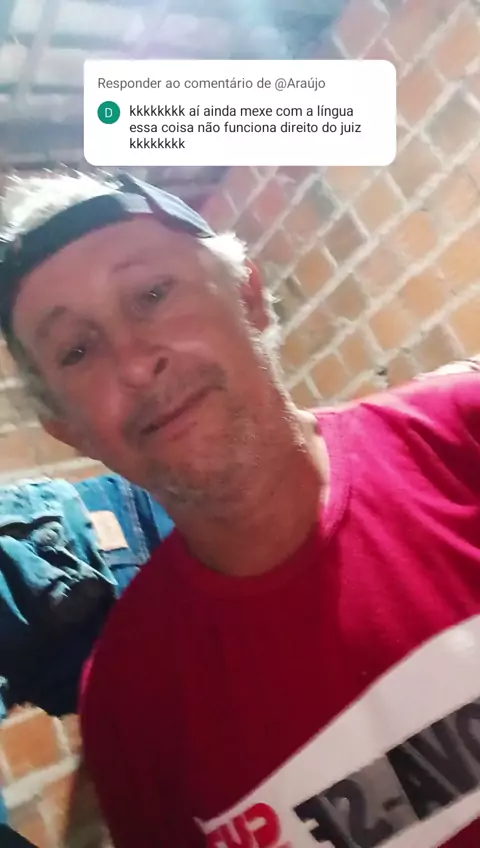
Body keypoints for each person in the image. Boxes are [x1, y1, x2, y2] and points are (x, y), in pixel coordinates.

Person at [0, 170, 479, 848]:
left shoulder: (462, 435)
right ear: (67, 431)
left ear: (249, 296)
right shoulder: (127, 700)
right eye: (77, 350)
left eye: (153, 294)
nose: (134, 364)